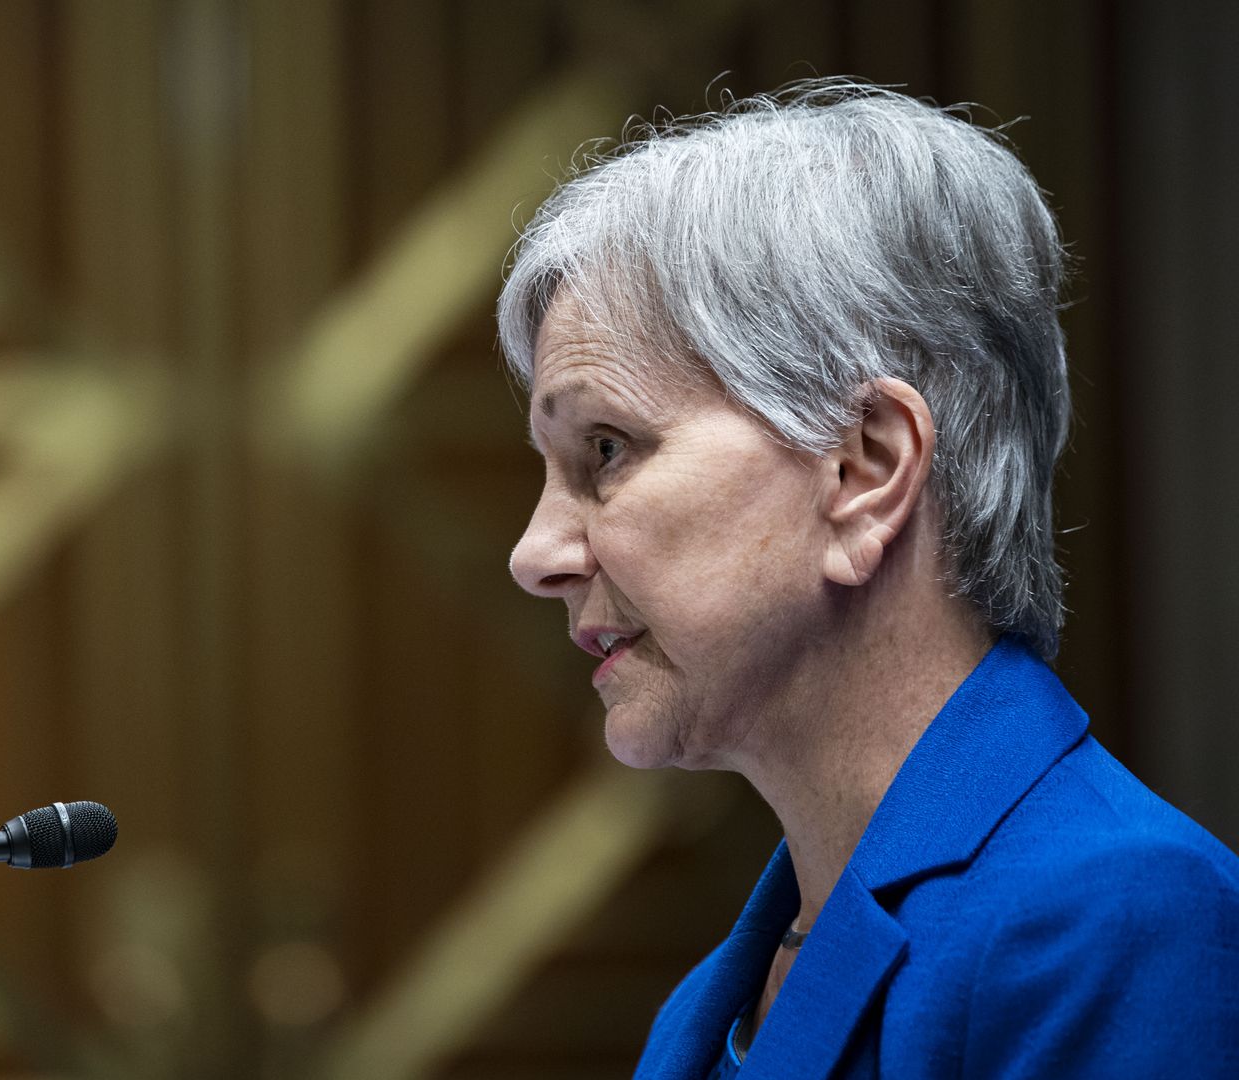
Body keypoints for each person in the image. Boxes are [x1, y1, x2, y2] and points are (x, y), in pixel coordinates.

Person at [500, 80, 1239, 1078]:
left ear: (866, 468)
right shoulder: (701, 1011)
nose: (536, 554)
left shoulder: (1120, 925)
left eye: (607, 450)